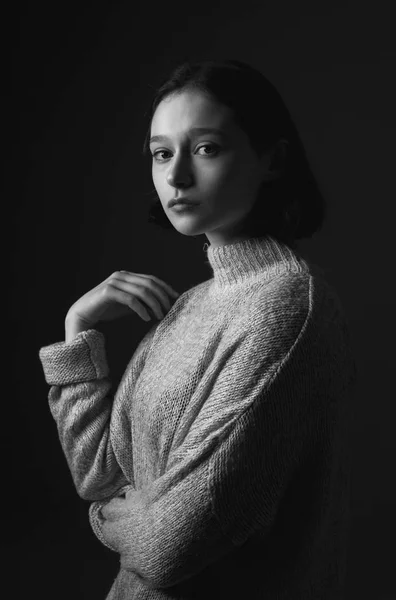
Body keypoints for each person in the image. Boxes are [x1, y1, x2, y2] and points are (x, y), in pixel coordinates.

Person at [39, 58, 357, 599]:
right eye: (162, 153)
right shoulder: (190, 306)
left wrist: (102, 520)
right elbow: (98, 476)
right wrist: (78, 329)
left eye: (206, 148)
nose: (176, 175)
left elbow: (169, 546)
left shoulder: (286, 308)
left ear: (272, 159)